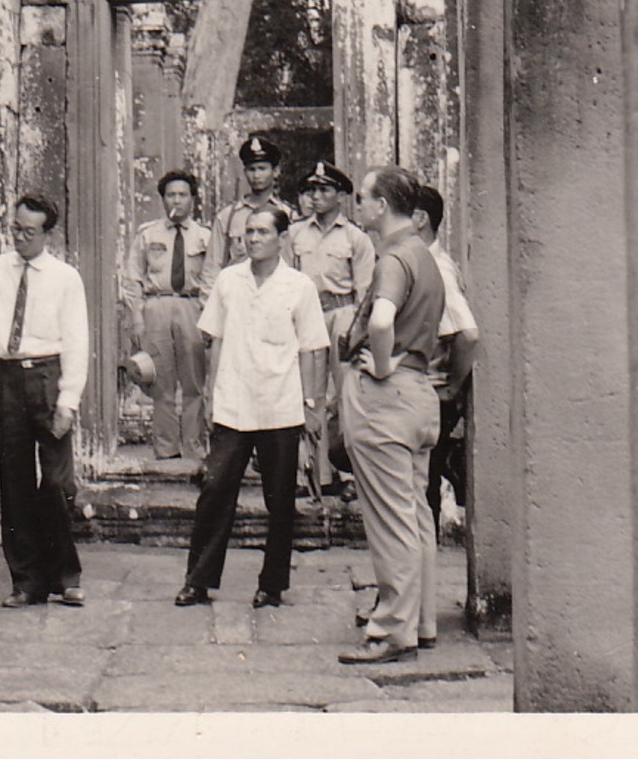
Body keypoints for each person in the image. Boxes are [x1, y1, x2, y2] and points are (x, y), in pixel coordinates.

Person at [174, 206, 329, 609]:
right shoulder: (229, 280)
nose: (253, 239)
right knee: (215, 490)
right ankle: (198, 580)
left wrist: (312, 405)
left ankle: (272, 584)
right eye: (248, 233)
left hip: (281, 404)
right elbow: (217, 340)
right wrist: (210, 393)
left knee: (280, 499)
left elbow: (313, 348)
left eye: (262, 232)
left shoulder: (299, 287)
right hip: (233, 403)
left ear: (282, 239)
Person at [337, 166, 445, 664]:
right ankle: (420, 622)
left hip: (387, 399)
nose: (358, 206)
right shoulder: (424, 254)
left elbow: (381, 320)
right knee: (416, 516)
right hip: (420, 395)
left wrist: (380, 365)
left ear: (382, 207)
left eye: (362, 198)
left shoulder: (393, 258)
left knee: (391, 521)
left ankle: (390, 631)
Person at [0, 195, 90, 609]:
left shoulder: (65, 278)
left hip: (48, 378)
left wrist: (68, 401)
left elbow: (76, 341)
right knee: (14, 482)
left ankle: (66, 575)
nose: (19, 236)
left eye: (29, 231)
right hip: (10, 381)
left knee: (56, 482)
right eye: (15, 227)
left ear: (46, 234)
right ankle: (26, 581)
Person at [286, 161, 375, 502]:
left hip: (343, 313)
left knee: (348, 396)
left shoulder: (356, 237)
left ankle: (351, 472)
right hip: (308, 315)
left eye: (325, 190)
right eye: (312, 190)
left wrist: (356, 332)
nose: (316, 197)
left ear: (340, 196)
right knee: (310, 394)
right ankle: (316, 474)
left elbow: (366, 291)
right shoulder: (295, 234)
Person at [122, 171, 213, 461]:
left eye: (182, 194)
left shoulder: (205, 237)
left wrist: (209, 318)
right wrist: (136, 317)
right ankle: (165, 448)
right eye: (171, 195)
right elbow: (133, 278)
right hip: (156, 305)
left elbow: (212, 280)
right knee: (159, 381)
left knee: (194, 382)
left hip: (191, 307)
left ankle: (194, 447)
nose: (177, 200)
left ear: (192, 199)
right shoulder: (148, 234)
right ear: (163, 199)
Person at [413, 184, 479, 539]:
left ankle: (421, 583)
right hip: (422, 394)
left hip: (431, 394)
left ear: (420, 220)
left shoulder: (437, 267)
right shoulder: (421, 262)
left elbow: (467, 334)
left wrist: (451, 387)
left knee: (421, 495)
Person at [202, 135, 296, 282]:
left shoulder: (288, 215)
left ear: (275, 171)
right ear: (245, 172)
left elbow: (293, 264)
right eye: (251, 169)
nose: (256, 175)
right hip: (237, 294)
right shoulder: (228, 217)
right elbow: (212, 267)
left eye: (262, 169)